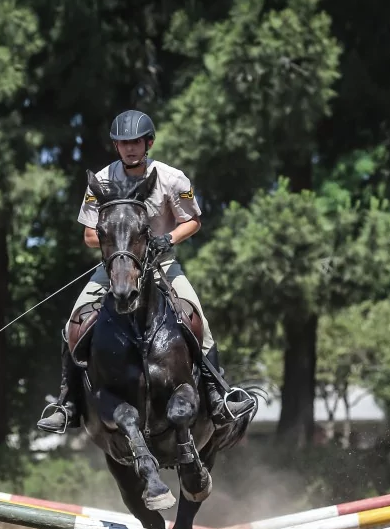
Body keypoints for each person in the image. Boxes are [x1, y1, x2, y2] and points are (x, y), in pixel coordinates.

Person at [36, 109, 256, 434]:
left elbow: (193, 221)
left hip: (161, 262)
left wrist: (168, 239)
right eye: (123, 143)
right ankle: (67, 404)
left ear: (148, 143)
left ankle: (217, 396)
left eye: (136, 142)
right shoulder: (102, 181)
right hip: (117, 266)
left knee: (199, 320)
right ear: (116, 146)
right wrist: (118, 247)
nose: (130, 148)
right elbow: (89, 235)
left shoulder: (172, 179)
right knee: (73, 323)